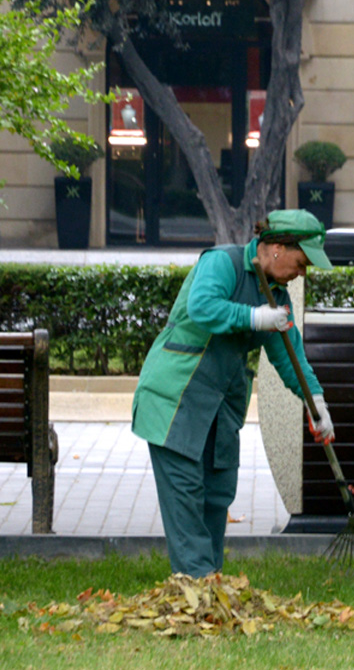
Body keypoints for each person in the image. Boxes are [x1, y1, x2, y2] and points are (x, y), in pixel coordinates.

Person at [132, 209, 336, 577]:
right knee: (186, 495)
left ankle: (210, 585)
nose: (303, 273)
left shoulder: (278, 296)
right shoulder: (222, 262)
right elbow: (203, 307)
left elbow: (291, 357)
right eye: (302, 262)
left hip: (222, 406)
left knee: (216, 494)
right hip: (175, 398)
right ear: (276, 247)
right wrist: (255, 317)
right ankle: (196, 586)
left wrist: (315, 402)